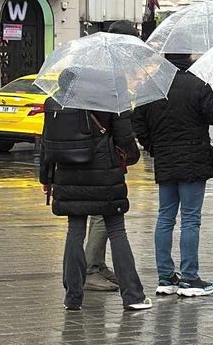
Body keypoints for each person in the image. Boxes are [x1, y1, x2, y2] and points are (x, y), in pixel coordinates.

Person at [39, 70, 150, 312]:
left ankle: (72, 298)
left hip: (68, 175)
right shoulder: (110, 96)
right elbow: (125, 138)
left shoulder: (57, 101)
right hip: (105, 174)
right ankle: (133, 296)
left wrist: (45, 178)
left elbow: (47, 143)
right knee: (117, 231)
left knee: (74, 232)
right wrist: (130, 157)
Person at [132, 50, 213, 297]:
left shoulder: (151, 87)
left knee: (165, 217)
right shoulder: (197, 85)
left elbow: (138, 123)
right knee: (190, 219)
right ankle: (189, 277)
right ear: (188, 56)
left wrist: (155, 147)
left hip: (165, 161)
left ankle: (165, 278)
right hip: (193, 162)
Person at [82, 20, 141, 292]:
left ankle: (97, 263)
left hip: (90, 148)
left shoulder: (92, 66)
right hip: (104, 152)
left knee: (99, 212)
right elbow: (120, 121)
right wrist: (131, 151)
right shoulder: (112, 75)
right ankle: (90, 269)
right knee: (104, 211)